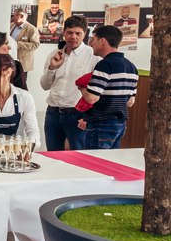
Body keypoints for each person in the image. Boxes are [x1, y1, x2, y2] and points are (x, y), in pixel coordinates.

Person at [40, 16, 98, 150]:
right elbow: (44, 85)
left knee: (79, 155)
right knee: (53, 155)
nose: (73, 36)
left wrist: (89, 116)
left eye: (78, 33)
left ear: (84, 34)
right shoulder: (54, 54)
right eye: (69, 32)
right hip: (53, 112)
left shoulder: (93, 56)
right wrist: (52, 68)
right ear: (63, 33)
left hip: (78, 114)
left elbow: (97, 90)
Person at [77, 25, 139, 149]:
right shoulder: (132, 67)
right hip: (120, 125)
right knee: (107, 163)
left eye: (93, 39)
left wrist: (81, 87)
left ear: (102, 41)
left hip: (101, 124)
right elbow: (130, 102)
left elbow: (92, 98)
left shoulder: (104, 65)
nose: (91, 44)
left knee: (94, 163)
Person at [10, 9, 40, 80]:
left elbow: (36, 44)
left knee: (20, 85)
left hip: (22, 63)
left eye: (15, 15)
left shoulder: (32, 29)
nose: (12, 18)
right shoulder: (11, 26)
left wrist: (18, 44)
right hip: (10, 60)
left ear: (22, 16)